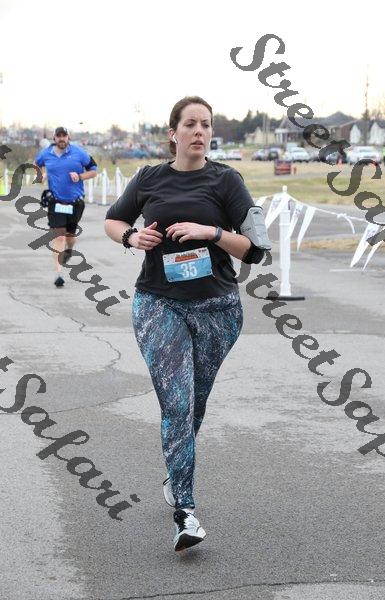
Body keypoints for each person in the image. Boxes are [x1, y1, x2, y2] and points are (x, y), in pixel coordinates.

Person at [104, 96, 269, 552]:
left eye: (206, 125)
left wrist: (210, 232)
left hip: (218, 309)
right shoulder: (149, 177)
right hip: (159, 304)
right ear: (172, 133)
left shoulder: (226, 180)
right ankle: (186, 512)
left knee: (193, 404)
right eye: (191, 124)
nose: (199, 131)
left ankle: (174, 474)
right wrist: (132, 236)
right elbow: (113, 221)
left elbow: (256, 250)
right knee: (176, 405)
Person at [34, 127, 97, 287]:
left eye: (64, 135)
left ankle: (69, 249)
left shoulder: (79, 153)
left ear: (68, 137)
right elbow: (36, 164)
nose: (61, 138)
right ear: (54, 138)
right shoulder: (46, 153)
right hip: (55, 201)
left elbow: (93, 171)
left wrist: (80, 176)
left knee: (70, 237)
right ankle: (58, 274)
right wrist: (41, 175)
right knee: (59, 237)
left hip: (75, 202)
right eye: (59, 136)